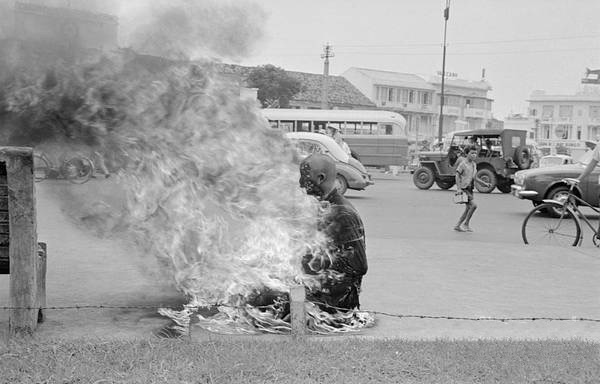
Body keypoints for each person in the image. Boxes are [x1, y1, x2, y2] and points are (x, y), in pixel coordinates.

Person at [299, 153, 368, 312]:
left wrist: (315, 268)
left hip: (333, 301)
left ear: (320, 178)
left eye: (304, 177)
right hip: (317, 289)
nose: (301, 183)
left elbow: (359, 266)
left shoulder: (342, 214)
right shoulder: (325, 207)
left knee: (268, 298)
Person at [454, 146, 490, 232]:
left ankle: (458, 225)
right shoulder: (463, 164)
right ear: (467, 154)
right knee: (473, 206)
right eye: (472, 153)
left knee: (468, 208)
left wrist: (484, 184)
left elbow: (475, 177)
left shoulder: (474, 164)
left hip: (470, 188)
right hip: (464, 188)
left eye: (475, 153)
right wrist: (458, 189)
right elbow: (457, 175)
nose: (474, 155)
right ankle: (466, 224)